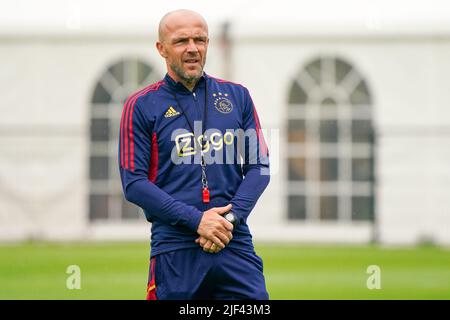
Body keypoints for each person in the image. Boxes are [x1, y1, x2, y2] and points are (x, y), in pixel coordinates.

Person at [119, 9, 270, 300]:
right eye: (181, 41)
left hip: (233, 242)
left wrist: (231, 219)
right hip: (175, 248)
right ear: (161, 49)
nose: (192, 48)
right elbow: (133, 182)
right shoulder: (141, 105)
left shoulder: (237, 96)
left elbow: (260, 166)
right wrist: (196, 221)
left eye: (199, 40)